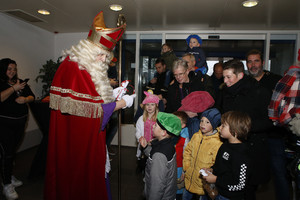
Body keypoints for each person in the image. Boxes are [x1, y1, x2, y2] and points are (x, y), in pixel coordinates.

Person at [44, 11, 136, 200]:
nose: (104, 61)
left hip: (81, 142)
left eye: (106, 56)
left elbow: (92, 102)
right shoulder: (75, 69)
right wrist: (120, 103)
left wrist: (112, 94)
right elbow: (91, 115)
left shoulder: (83, 67)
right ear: (89, 51)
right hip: (78, 146)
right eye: (102, 55)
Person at [216, 59, 273, 200]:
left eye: (229, 77)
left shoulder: (259, 92)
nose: (225, 80)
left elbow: (270, 121)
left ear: (240, 75)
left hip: (252, 148)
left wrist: (244, 127)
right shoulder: (226, 92)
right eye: (224, 76)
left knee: (247, 189)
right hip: (231, 146)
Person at [246, 49, 289, 200]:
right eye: (250, 61)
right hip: (252, 137)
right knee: (249, 174)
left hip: (273, 135)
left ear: (263, 62)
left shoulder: (276, 81)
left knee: (278, 171)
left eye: (256, 61)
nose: (253, 65)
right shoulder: (244, 83)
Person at [0, 58, 35, 200]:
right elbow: (1, 98)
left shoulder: (20, 81)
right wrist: (14, 88)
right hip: (4, 125)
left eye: (14, 69)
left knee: (12, 152)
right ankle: (6, 184)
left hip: (20, 124)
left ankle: (8, 175)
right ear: (3, 69)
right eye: (9, 69)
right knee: (6, 153)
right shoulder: (1, 83)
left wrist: (25, 99)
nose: (12, 72)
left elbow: (32, 96)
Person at [203, 111, 252, 200]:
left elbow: (240, 185)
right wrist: (211, 169)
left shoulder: (241, 155)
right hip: (219, 192)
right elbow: (220, 166)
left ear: (235, 131)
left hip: (231, 197)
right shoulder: (224, 146)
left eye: (223, 126)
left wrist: (216, 180)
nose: (219, 127)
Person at [139, 112, 182, 200]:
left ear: (163, 132)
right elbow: (154, 155)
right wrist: (146, 147)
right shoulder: (168, 144)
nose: (153, 126)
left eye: (156, 125)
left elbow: (157, 185)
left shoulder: (160, 155)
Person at [183, 108, 223, 200]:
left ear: (214, 124)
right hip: (190, 178)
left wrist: (208, 175)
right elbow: (188, 151)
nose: (202, 124)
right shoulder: (196, 136)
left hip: (203, 183)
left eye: (207, 122)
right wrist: (187, 167)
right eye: (201, 121)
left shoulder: (217, 143)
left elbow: (216, 163)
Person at [135, 91, 159, 172]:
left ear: (156, 106)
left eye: (152, 104)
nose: (149, 107)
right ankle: (141, 167)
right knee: (144, 159)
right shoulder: (141, 118)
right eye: (147, 105)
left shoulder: (159, 118)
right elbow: (138, 132)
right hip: (144, 143)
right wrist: (140, 138)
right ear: (144, 106)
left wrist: (155, 140)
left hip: (155, 144)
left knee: (153, 161)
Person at [173, 111, 189, 199]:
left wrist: (184, 171)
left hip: (180, 166)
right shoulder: (170, 132)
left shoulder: (185, 137)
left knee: (178, 187)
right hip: (170, 165)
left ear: (183, 125)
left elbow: (186, 155)